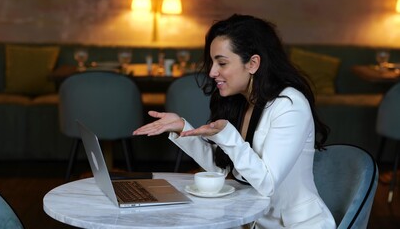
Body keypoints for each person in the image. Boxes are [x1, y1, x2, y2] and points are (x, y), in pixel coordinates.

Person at [133, 14, 336, 228]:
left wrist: (227, 135)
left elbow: (266, 183)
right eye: (212, 62)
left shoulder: (290, 105)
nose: (212, 72)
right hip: (253, 221)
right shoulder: (240, 102)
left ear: (253, 63)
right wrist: (183, 129)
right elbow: (228, 170)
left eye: (221, 62)